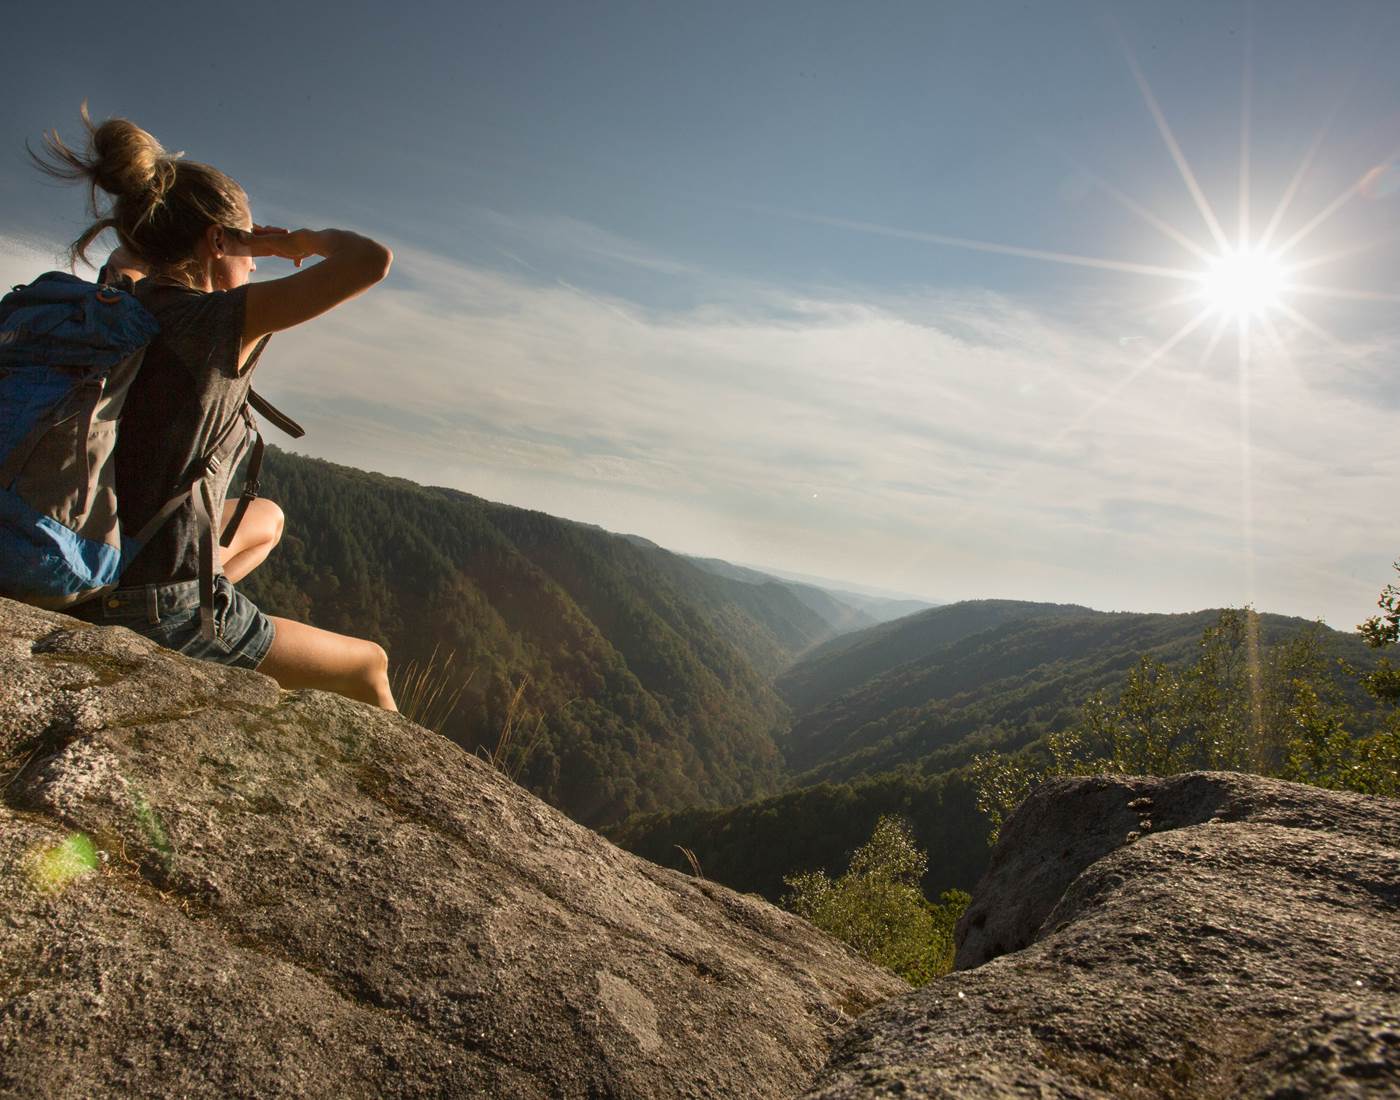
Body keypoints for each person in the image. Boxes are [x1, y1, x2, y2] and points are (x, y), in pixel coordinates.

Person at [33, 106, 397, 710]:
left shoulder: (115, 301)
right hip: (147, 604)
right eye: (249, 242)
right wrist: (297, 243)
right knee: (369, 664)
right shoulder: (217, 322)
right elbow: (369, 261)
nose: (256, 260)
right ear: (217, 241)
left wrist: (231, 236)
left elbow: (132, 255)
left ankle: (197, 592)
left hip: (82, 548)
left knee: (269, 517)